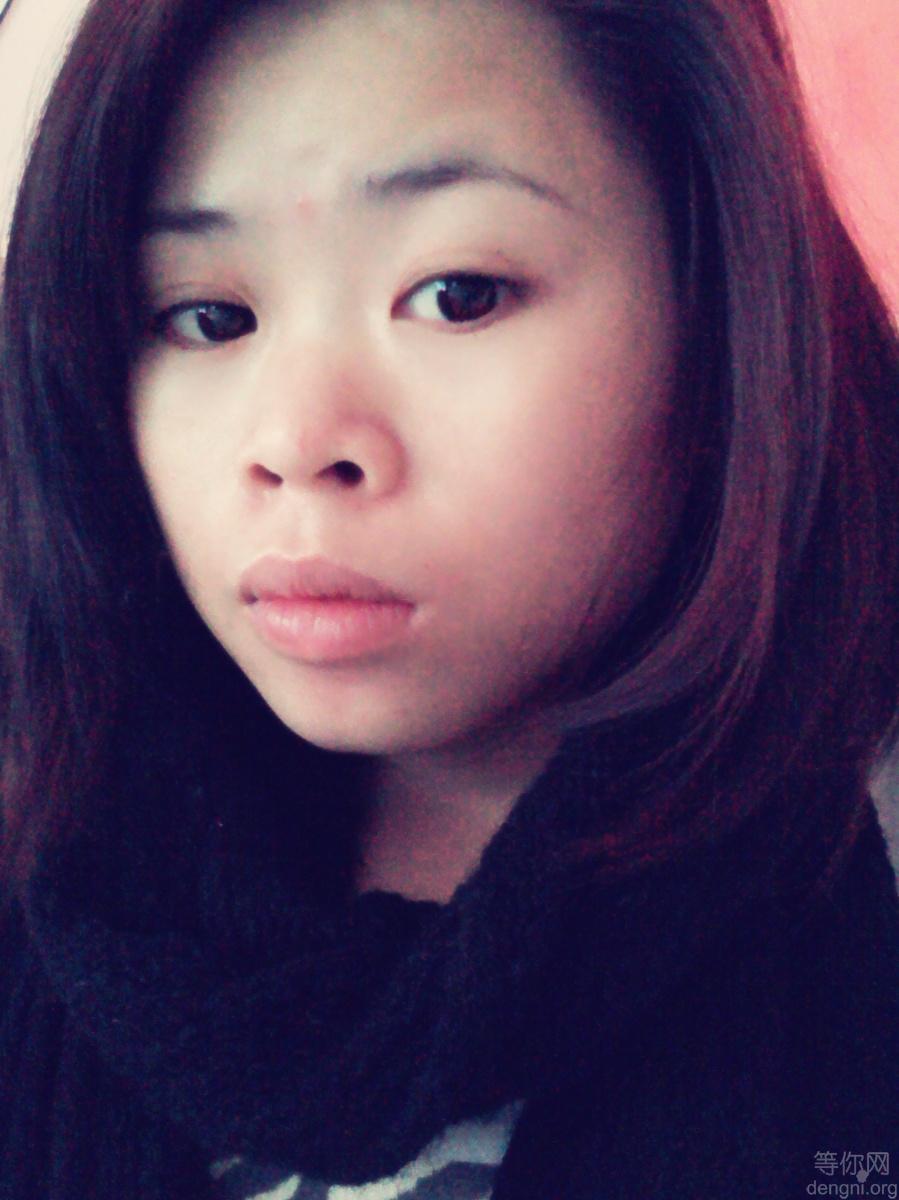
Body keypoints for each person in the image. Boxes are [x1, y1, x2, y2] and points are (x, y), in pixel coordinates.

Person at [1, 0, 898, 1196]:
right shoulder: (50, 837)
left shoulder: (860, 872)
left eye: (458, 293)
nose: (296, 440)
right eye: (208, 318)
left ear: (720, 307)